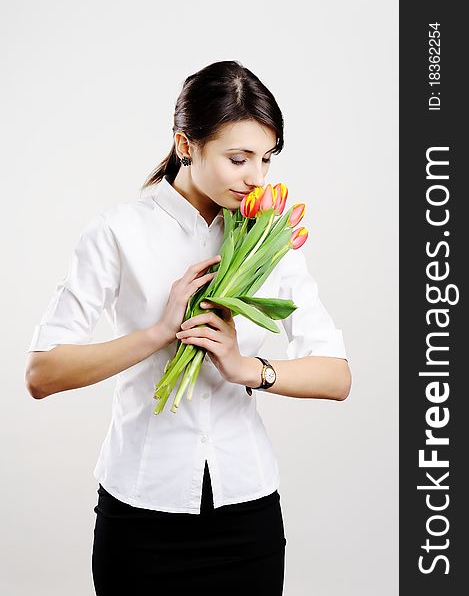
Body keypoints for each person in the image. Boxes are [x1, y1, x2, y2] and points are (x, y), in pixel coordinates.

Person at [25, 60, 351, 595]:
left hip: (247, 512)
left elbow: (336, 376)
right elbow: (42, 373)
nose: (256, 178)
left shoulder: (270, 242)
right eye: (238, 158)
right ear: (185, 143)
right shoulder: (117, 232)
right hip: (140, 511)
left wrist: (245, 367)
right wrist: (158, 335)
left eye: (266, 160)